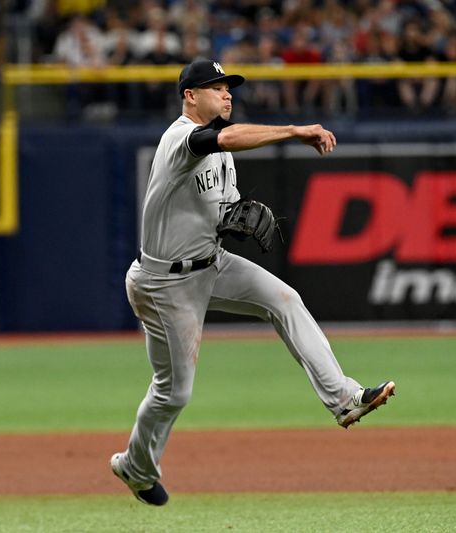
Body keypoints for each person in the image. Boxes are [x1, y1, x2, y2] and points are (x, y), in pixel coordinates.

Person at [110, 59, 396, 506]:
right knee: (174, 391)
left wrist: (231, 219)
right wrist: (294, 130)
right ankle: (135, 466)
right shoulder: (181, 137)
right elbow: (221, 136)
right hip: (164, 285)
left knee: (284, 299)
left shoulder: (220, 153)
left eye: (229, 87)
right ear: (190, 95)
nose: (227, 94)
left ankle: (344, 398)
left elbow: (220, 204)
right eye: (215, 87)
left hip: (210, 264)